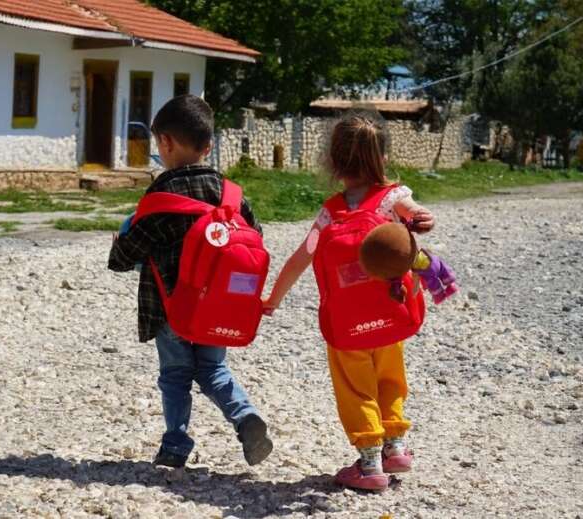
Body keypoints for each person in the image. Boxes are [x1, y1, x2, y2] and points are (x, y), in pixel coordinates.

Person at [262, 113, 435, 491]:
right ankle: (396, 446)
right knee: (390, 378)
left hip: (347, 326)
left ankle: (370, 463)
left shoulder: (330, 213)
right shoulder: (393, 198)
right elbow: (416, 213)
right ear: (382, 158)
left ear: (334, 162)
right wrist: (421, 219)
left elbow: (301, 257)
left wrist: (272, 300)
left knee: (356, 388)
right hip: (391, 316)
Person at [108, 95, 273, 469]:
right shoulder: (232, 196)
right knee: (213, 370)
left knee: (176, 375)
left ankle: (175, 445)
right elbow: (256, 238)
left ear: (165, 143)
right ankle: (245, 416)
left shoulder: (161, 198)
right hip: (220, 307)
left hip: (173, 309)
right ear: (208, 146)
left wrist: (119, 244)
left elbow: (124, 258)